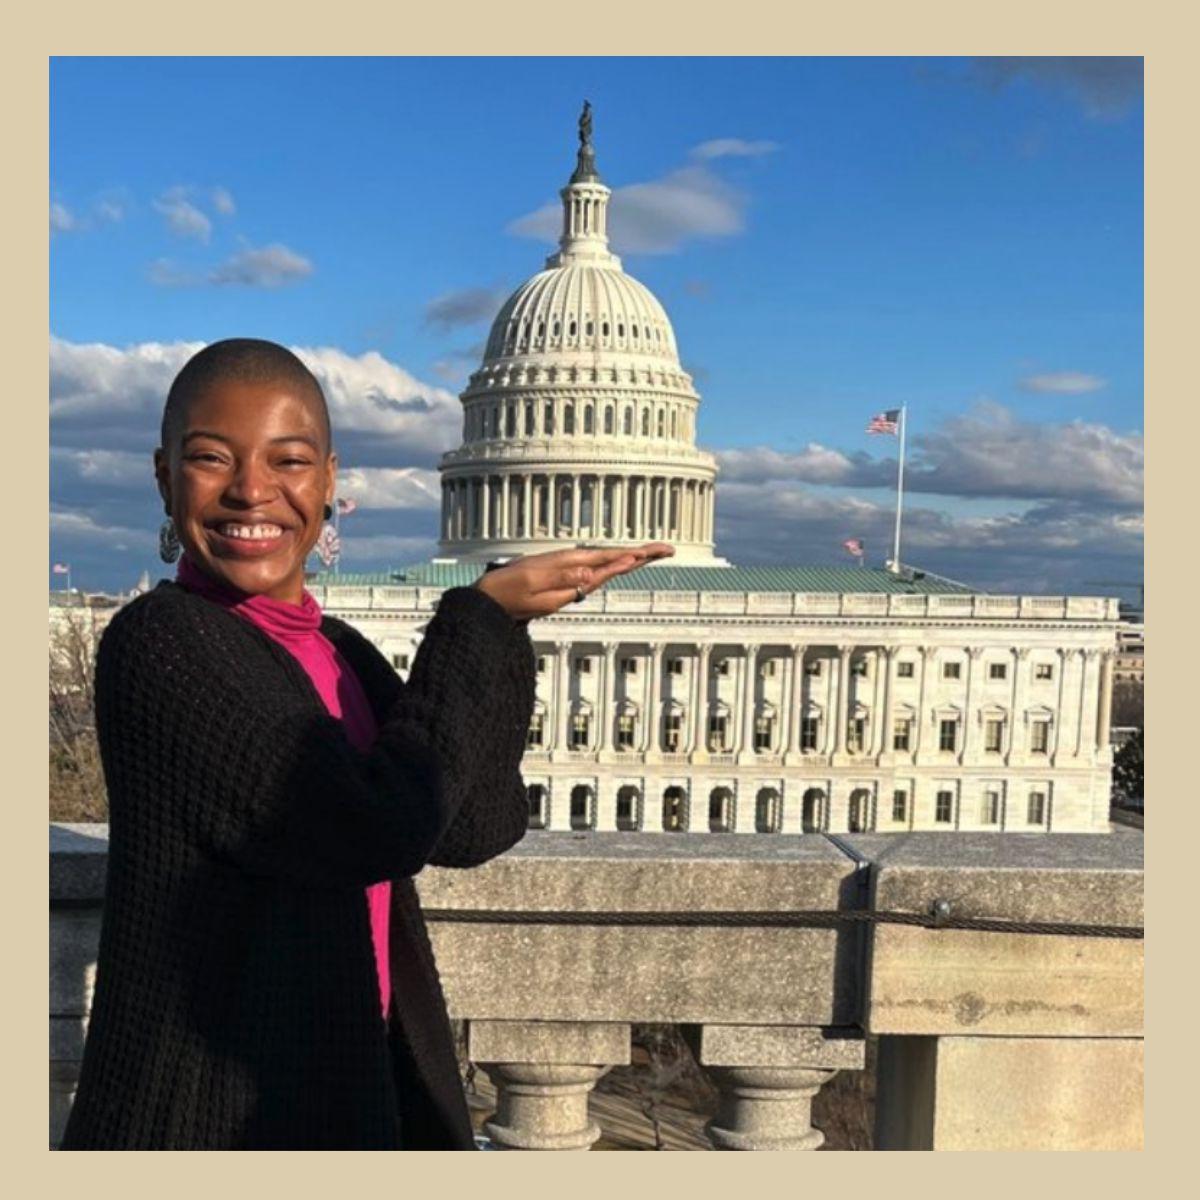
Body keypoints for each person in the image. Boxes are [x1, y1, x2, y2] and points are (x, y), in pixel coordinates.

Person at [59, 338, 674, 1150]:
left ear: (329, 482)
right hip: (205, 1113)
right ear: (165, 476)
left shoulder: (339, 649)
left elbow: (473, 824)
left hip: (355, 1080)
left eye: (289, 461)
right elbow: (371, 829)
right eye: (212, 459)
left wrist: (505, 630)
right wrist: (476, 618)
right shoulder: (161, 641)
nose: (252, 491)